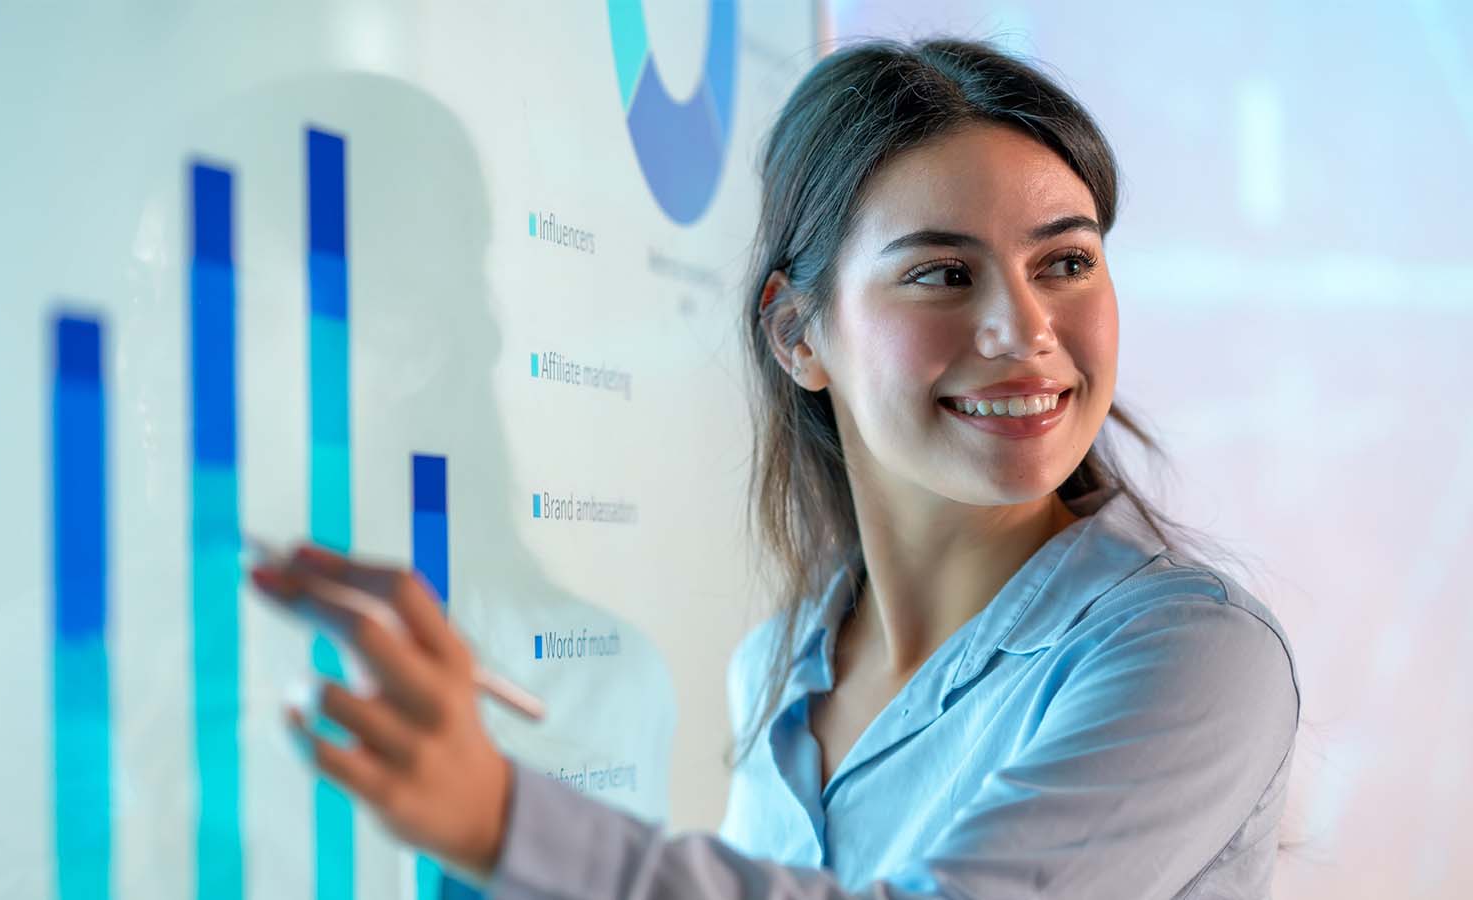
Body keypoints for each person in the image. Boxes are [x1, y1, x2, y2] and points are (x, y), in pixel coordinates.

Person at [249, 35, 1302, 899]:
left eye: (1064, 262)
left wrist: (501, 819)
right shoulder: (777, 666)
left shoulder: (1193, 657)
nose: (1022, 330)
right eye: (942, 273)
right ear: (798, 334)